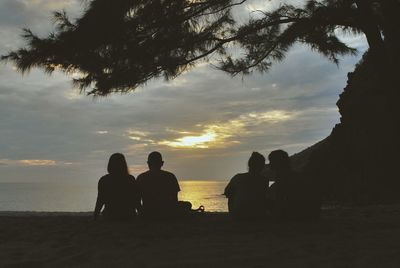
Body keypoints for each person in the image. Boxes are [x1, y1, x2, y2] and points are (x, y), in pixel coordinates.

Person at [268, 149, 320, 220]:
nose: (269, 164)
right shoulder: (292, 175)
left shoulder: (282, 176)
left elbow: (280, 199)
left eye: (271, 161)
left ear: (277, 162)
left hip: (297, 213)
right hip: (309, 212)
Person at [94, 153, 140, 221]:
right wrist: (141, 214)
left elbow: (100, 200)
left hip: (110, 216)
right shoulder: (130, 179)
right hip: (128, 216)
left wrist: (95, 216)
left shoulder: (104, 180)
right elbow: (135, 200)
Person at [224, 152, 269, 220]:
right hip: (259, 214)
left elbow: (227, 192)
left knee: (231, 194)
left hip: (238, 215)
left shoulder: (238, 177)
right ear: (262, 166)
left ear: (249, 164)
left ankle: (235, 213)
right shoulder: (264, 180)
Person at [136, 152, 181, 218]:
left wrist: (142, 214)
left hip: (147, 213)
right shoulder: (170, 177)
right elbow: (174, 200)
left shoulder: (141, 178)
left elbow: (137, 201)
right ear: (162, 163)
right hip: (167, 214)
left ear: (148, 163)